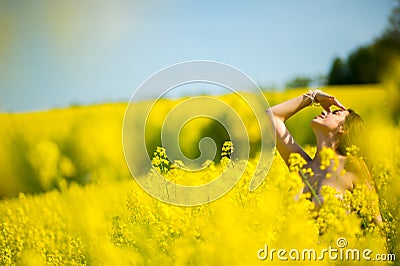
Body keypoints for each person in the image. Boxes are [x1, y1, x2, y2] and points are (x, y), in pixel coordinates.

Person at [267, 89, 381, 222]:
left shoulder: (351, 166)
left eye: (335, 113)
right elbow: (270, 116)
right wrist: (313, 96)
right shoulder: (302, 167)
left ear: (344, 129)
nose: (324, 111)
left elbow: (376, 223)